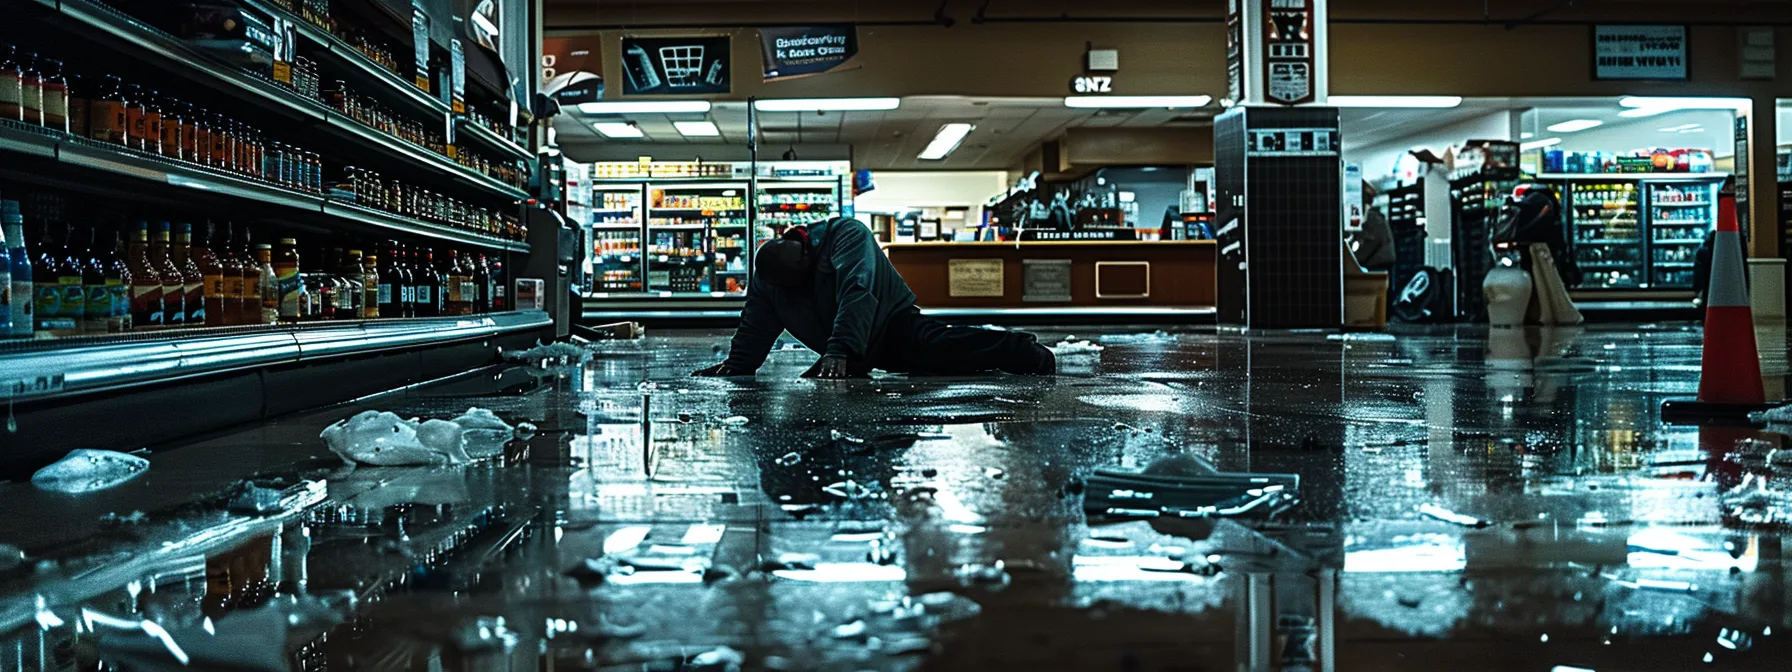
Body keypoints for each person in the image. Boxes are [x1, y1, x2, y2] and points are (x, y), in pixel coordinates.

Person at [693, 218, 1056, 379]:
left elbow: (859, 289)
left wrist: (839, 349)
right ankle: (1008, 351)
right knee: (936, 365)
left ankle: (1022, 350)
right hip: (848, 348)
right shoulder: (772, 277)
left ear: (807, 255)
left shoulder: (845, 234)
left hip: (888, 323)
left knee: (941, 350)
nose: (793, 291)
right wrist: (740, 363)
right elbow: (757, 320)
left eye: (797, 282)